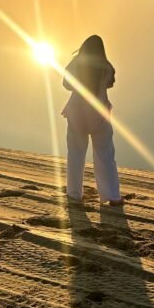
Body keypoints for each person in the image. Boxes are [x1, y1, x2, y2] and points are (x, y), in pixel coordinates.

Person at [61, 34, 123, 206]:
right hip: (99, 114)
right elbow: (111, 83)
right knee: (106, 156)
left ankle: (74, 194)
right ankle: (112, 196)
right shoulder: (107, 67)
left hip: (77, 114)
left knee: (75, 155)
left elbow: (66, 84)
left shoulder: (74, 65)